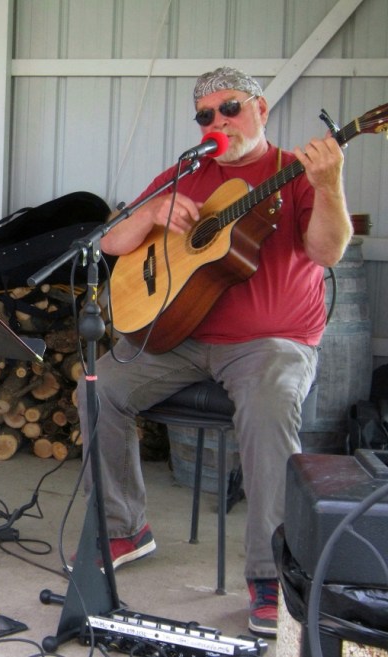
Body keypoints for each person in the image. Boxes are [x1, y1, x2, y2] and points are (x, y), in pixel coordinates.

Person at [76, 67, 350, 637]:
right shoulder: (187, 173)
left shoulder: (293, 173)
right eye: (205, 115)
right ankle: (125, 527)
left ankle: (273, 572)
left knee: (270, 405)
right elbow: (112, 242)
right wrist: (151, 214)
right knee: (99, 386)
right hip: (181, 336)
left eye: (230, 109)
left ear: (261, 110)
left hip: (270, 342)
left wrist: (329, 186)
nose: (218, 122)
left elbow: (327, 251)